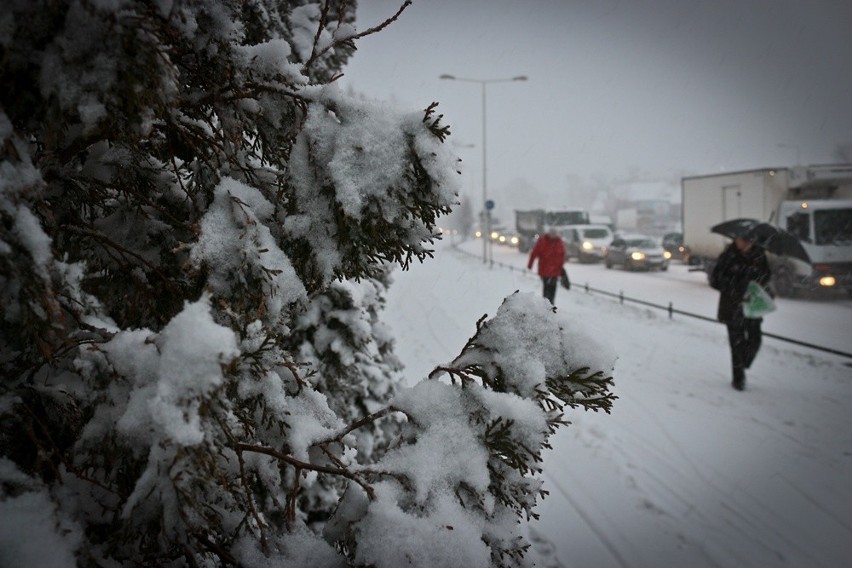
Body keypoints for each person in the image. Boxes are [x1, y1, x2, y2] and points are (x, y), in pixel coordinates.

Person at [710, 234, 772, 391]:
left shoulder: (759, 255)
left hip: (752, 305)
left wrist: (757, 281)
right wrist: (734, 286)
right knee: (736, 343)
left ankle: (744, 362)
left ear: (750, 241)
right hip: (732, 306)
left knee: (755, 339)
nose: (739, 243)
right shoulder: (728, 256)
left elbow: (767, 276)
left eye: (743, 240)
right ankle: (739, 379)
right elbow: (715, 280)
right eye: (737, 240)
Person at [527, 226, 566, 304]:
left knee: (553, 289)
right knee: (547, 289)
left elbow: (562, 255)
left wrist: (561, 265)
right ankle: (546, 305)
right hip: (545, 270)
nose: (553, 235)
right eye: (552, 234)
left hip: (555, 270)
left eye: (555, 234)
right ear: (549, 234)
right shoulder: (543, 241)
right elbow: (534, 253)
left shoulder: (559, 242)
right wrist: (530, 265)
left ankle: (551, 306)